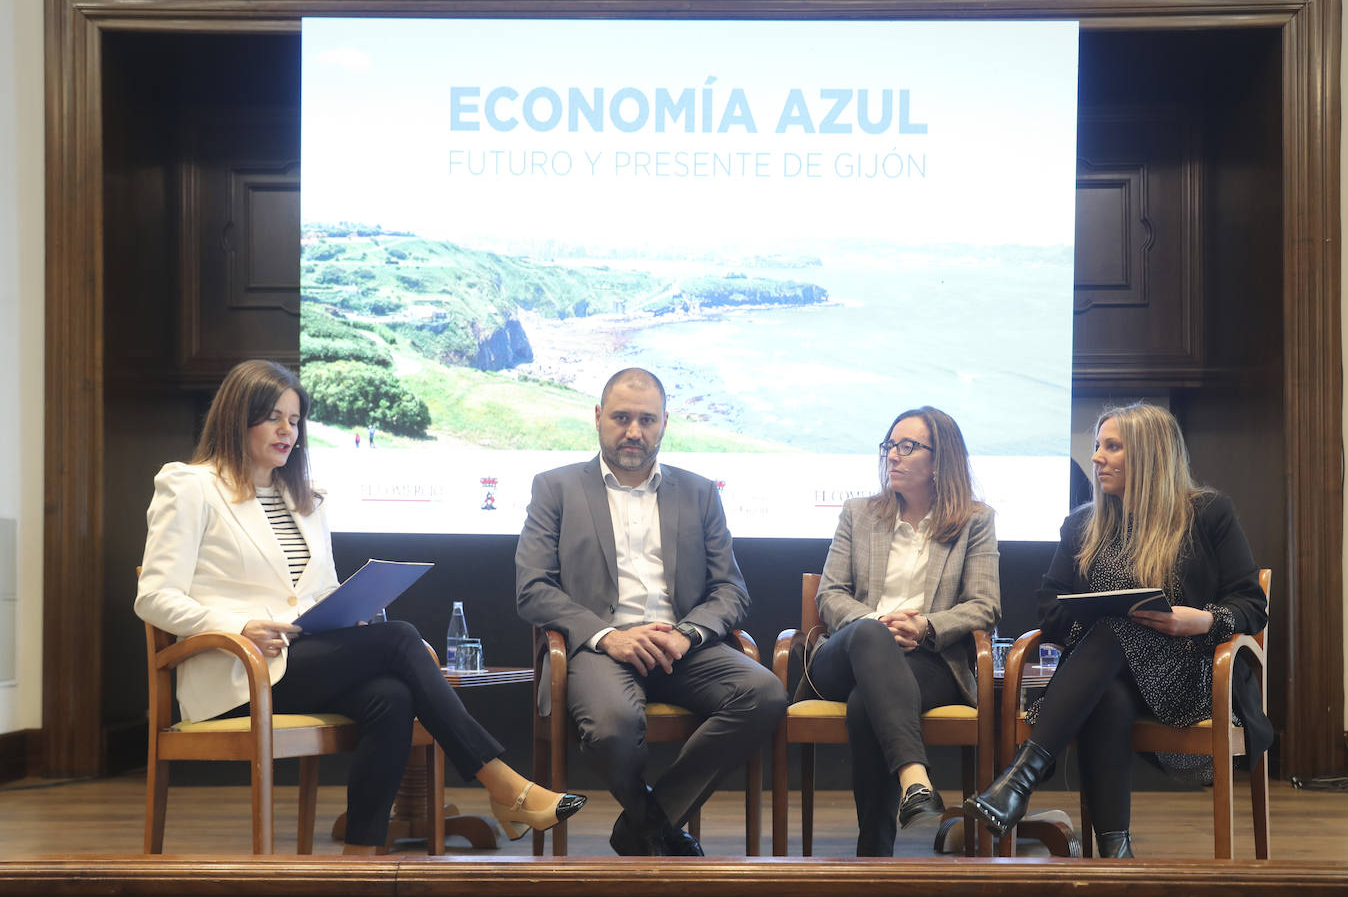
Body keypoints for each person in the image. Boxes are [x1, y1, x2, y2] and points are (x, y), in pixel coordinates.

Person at [134, 360, 585, 855]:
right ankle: (503, 785)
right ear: (236, 419)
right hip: (239, 673)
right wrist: (238, 625)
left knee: (391, 696)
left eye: (295, 418)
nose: (289, 431)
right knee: (399, 638)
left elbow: (313, 594)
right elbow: (154, 597)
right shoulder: (190, 485)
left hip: (300, 660)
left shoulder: (304, 499)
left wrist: (351, 611)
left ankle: (359, 860)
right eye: (274, 418)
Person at [964, 402, 1272, 858]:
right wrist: (1086, 613)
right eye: (1096, 446)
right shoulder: (1082, 525)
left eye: (1112, 447)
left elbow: (1251, 602)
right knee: (1108, 666)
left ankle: (1020, 779)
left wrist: (1201, 619)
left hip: (1191, 674)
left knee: (1112, 631)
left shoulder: (1208, 514)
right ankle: (1115, 855)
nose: (1096, 458)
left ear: (1148, 454)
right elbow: (1049, 606)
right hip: (1105, 678)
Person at [515, 367, 788, 856]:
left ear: (665, 422)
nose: (634, 432)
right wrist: (607, 636)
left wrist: (688, 634)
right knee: (613, 727)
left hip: (680, 645)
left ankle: (647, 822)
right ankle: (652, 824)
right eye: (621, 418)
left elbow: (730, 589)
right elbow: (533, 589)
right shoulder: (555, 488)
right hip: (601, 648)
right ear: (598, 417)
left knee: (764, 692)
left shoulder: (700, 492)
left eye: (647, 419)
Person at [805, 407, 1000, 856]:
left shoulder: (975, 520)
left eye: (907, 446)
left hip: (926, 660)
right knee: (872, 634)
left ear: (940, 460)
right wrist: (877, 624)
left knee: (864, 704)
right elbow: (831, 594)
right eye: (890, 445)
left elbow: (985, 605)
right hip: (844, 654)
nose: (893, 455)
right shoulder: (859, 513)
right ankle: (915, 776)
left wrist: (926, 626)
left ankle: (873, 855)